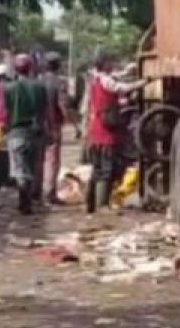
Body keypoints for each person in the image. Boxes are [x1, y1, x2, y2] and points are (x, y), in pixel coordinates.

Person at [86, 56, 146, 214]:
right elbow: (121, 88)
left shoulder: (95, 80)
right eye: (109, 62)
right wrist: (142, 83)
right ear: (104, 65)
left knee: (97, 169)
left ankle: (90, 203)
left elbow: (118, 79)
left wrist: (128, 72)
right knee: (106, 170)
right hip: (106, 133)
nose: (112, 64)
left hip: (96, 131)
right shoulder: (107, 81)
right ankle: (102, 205)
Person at [3, 54, 47, 215]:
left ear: (15, 68)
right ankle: (28, 200)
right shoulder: (40, 87)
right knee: (31, 169)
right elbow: (45, 112)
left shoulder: (8, 88)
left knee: (20, 170)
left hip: (16, 133)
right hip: (35, 134)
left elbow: (5, 113)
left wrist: (3, 131)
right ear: (31, 68)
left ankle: (24, 203)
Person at [40, 53, 72, 204]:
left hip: (38, 124)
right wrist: (72, 122)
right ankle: (49, 193)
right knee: (52, 160)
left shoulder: (38, 81)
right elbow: (62, 104)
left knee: (39, 159)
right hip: (53, 125)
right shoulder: (59, 82)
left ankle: (36, 192)